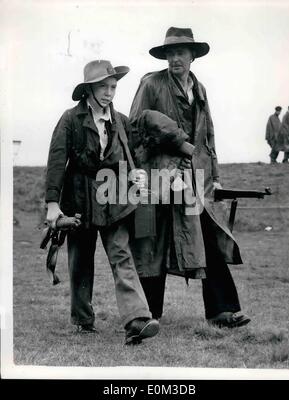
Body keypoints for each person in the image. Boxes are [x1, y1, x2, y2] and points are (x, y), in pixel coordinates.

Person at [129, 27, 251, 328]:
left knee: (208, 236)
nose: (175, 59)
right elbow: (134, 128)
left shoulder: (200, 89)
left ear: (193, 56)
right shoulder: (151, 84)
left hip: (196, 181)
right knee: (152, 243)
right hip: (157, 179)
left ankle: (222, 311)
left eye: (181, 53)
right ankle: (148, 315)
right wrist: (150, 166)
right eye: (170, 54)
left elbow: (207, 136)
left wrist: (216, 176)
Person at [45, 60, 159, 345]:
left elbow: (132, 154)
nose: (109, 92)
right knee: (81, 260)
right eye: (103, 87)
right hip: (80, 198)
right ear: (88, 90)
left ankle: (136, 320)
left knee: (121, 254)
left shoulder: (120, 120)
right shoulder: (70, 119)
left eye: (113, 87)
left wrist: (138, 173)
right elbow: (57, 162)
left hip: (114, 196)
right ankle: (83, 320)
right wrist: (52, 204)